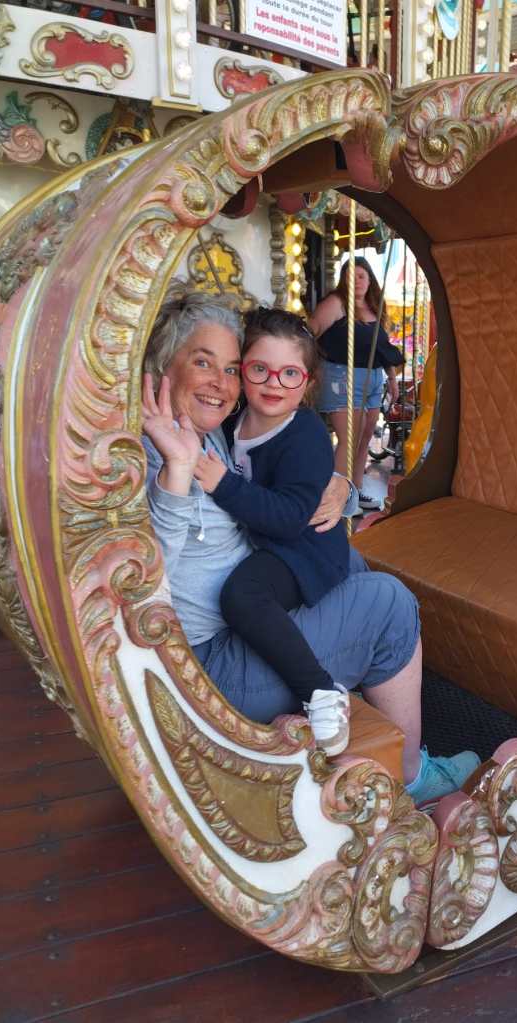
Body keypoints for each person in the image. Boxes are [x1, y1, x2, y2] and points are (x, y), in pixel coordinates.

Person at [141, 283, 480, 805]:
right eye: (203, 363)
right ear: (164, 366)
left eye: (230, 368)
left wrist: (340, 487)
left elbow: (285, 487)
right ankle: (411, 776)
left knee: (350, 562)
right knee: (390, 602)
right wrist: (179, 470)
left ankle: (367, 712)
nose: (222, 384)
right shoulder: (157, 453)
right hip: (210, 667)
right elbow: (146, 575)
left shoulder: (211, 429)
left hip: (243, 618)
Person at [191, 306, 352, 756]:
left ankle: (320, 690)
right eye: (259, 369)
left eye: (289, 374)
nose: (273, 384)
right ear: (242, 370)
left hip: (304, 550)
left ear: (308, 382)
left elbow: (289, 518)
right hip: (267, 543)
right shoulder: (233, 419)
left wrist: (223, 484)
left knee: (242, 595)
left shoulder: (306, 435)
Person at [310, 258, 403, 511]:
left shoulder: (374, 308)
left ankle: (354, 491)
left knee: (364, 437)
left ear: (370, 279)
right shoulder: (337, 304)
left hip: (373, 378)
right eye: (350, 276)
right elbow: (311, 331)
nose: (357, 281)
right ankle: (335, 499)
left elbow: (381, 348)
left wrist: (391, 378)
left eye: (361, 276)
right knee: (349, 438)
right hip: (343, 376)